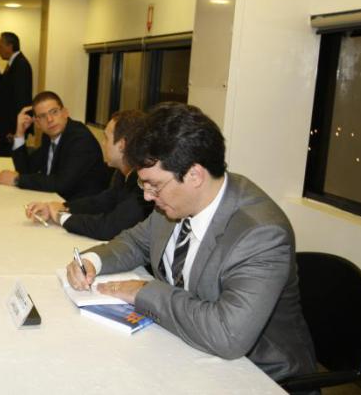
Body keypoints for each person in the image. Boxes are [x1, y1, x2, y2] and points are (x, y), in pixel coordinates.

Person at [66, 102, 316, 382]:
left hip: (256, 375)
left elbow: (227, 334)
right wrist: (92, 261)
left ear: (195, 175)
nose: (147, 196)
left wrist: (143, 292)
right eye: (143, 184)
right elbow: (135, 242)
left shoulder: (261, 234)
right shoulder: (174, 202)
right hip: (183, 348)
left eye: (154, 185)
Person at [25, 110, 152, 240]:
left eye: (106, 138)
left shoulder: (145, 183)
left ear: (122, 145)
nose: (103, 143)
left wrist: (61, 216)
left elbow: (108, 228)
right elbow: (101, 202)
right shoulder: (122, 173)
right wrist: (63, 207)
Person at [0, 91, 110, 200]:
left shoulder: (80, 139)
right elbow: (26, 170)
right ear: (37, 123)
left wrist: (17, 179)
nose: (50, 119)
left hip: (81, 206)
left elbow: (61, 183)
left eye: (54, 112)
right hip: (55, 199)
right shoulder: (48, 135)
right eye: (42, 116)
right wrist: (20, 134)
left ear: (65, 113)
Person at [0, 31, 33, 156]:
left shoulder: (21, 65)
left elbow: (21, 99)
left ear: (10, 46)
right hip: (5, 124)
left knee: (9, 160)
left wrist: (15, 129)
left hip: (10, 127)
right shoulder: (13, 63)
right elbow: (3, 89)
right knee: (3, 158)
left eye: (0, 45)